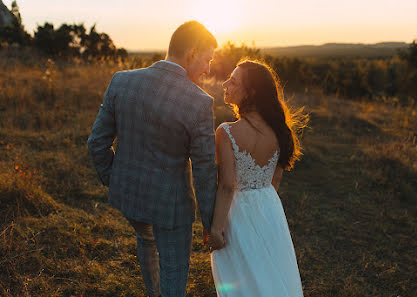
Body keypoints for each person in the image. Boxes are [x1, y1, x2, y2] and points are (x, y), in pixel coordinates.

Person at [87, 21, 218, 297]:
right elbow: (205, 171)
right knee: (174, 271)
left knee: (146, 239)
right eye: (207, 59)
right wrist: (210, 223)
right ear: (192, 52)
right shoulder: (199, 102)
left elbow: (96, 143)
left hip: (131, 197)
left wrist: (116, 181)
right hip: (172, 209)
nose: (208, 69)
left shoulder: (121, 81)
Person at [209, 60, 307, 297]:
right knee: (270, 272)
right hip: (270, 208)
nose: (225, 83)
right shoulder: (279, 132)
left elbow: (227, 186)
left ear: (250, 92)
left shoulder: (226, 132)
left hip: (238, 213)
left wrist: (216, 228)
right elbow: (275, 180)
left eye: (233, 81)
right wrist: (264, 207)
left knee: (242, 277)